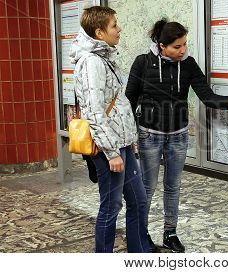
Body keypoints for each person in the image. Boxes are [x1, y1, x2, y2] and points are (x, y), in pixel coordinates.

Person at [125, 19, 228, 253]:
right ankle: (140, 233)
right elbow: (129, 100)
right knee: (148, 187)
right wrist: (129, 136)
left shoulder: (188, 65)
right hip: (149, 135)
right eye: (177, 46)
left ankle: (170, 233)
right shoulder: (143, 63)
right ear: (162, 45)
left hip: (178, 135)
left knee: (173, 186)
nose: (183, 50)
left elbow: (207, 96)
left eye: (185, 44)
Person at [70, 6, 151, 253]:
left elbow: (118, 104)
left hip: (122, 143)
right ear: (99, 32)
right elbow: (94, 112)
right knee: (111, 205)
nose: (119, 29)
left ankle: (139, 254)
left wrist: (129, 139)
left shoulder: (104, 57)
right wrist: (112, 152)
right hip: (108, 148)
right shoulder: (92, 62)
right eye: (114, 25)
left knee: (138, 200)